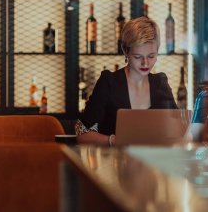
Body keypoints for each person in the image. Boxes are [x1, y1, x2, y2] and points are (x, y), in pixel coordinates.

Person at [75, 16, 178, 146]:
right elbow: (82, 135)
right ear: (125, 51)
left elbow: (178, 128)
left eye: (151, 56)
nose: (145, 63)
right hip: (114, 162)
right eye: (138, 56)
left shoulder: (160, 83)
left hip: (154, 162)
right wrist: (114, 140)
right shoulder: (109, 82)